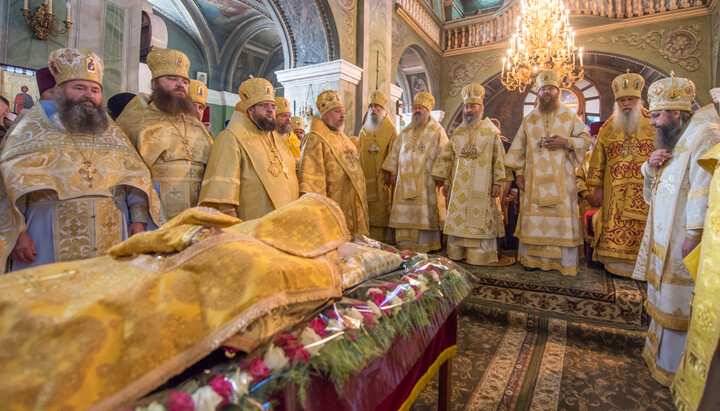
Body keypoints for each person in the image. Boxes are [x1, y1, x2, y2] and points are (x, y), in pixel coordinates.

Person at [0, 48, 163, 274]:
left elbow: (136, 177)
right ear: (59, 91)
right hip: (47, 233)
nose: (89, 95)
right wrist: (17, 233)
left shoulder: (111, 131)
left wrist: (139, 219)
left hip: (112, 230)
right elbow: (6, 184)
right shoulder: (31, 127)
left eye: (95, 90)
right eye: (79, 88)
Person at [632, 75, 720, 387]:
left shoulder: (704, 136)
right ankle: (658, 356)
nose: (653, 123)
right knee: (663, 296)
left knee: (676, 300)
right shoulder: (678, 137)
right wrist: (649, 166)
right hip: (663, 237)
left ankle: (675, 367)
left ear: (676, 114)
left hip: (682, 238)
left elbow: (703, 187)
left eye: (656, 116)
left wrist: (693, 235)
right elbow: (662, 182)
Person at [505, 70, 592, 275]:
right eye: (543, 89)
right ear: (538, 92)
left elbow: (586, 139)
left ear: (558, 91)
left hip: (562, 181)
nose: (547, 92)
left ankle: (564, 263)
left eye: (551, 88)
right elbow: (518, 148)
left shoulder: (569, 116)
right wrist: (518, 174)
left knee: (560, 220)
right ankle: (533, 260)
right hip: (533, 181)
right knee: (535, 220)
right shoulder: (529, 119)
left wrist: (566, 142)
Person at [116, 48, 213, 220]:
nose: (180, 85)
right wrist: (138, 218)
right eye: (172, 79)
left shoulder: (196, 126)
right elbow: (127, 175)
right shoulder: (135, 121)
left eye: (184, 81)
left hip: (197, 216)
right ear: (154, 84)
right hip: (155, 214)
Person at [432, 84, 513, 265]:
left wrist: (497, 183)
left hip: (482, 185)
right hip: (459, 186)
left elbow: (498, 158)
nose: (469, 110)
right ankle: (458, 253)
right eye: (466, 107)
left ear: (481, 109)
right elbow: (448, 157)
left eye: (472, 106)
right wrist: (445, 180)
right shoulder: (458, 132)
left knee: (480, 221)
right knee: (460, 220)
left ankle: (480, 255)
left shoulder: (491, 131)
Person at [199, 78, 298, 220]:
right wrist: (230, 221)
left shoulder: (276, 139)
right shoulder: (231, 137)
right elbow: (223, 190)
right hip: (250, 222)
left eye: (272, 106)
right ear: (251, 110)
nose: (270, 110)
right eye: (264, 105)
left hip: (283, 221)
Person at [586, 72, 655, 276]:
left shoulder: (653, 122)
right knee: (615, 224)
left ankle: (643, 266)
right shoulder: (607, 127)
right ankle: (615, 266)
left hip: (646, 189)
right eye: (622, 99)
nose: (626, 103)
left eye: (631, 99)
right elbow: (597, 159)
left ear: (639, 100)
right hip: (614, 189)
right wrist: (596, 187)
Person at [382, 92, 448, 252]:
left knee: (423, 213)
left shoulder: (437, 131)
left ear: (428, 111)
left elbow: (445, 154)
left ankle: (426, 245)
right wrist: (392, 171)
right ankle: (405, 245)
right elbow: (395, 152)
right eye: (415, 108)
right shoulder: (405, 132)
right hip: (403, 183)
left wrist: (442, 175)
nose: (417, 111)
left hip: (426, 183)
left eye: (421, 108)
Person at [298, 90, 369, 236]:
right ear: (325, 115)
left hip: (354, 207)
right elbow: (311, 180)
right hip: (334, 205)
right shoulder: (315, 138)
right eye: (337, 112)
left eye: (343, 111)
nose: (342, 115)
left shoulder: (343, 138)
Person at [356, 90, 398, 243]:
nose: (373, 109)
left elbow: (395, 152)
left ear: (383, 110)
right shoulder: (364, 130)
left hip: (382, 178)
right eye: (371, 106)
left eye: (377, 107)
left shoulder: (391, 130)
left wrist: (391, 171)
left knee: (382, 209)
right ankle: (368, 240)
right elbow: (357, 151)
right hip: (366, 177)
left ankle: (384, 242)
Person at [576, 121, 602, 266]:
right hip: (588, 201)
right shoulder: (584, 158)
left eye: (600, 137)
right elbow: (578, 178)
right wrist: (586, 194)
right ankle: (589, 260)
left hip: (604, 203)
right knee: (588, 232)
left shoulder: (610, 159)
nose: (597, 140)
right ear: (591, 138)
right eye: (595, 137)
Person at [275, 96, 302, 162]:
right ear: (274, 118)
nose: (288, 119)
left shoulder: (293, 138)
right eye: (284, 116)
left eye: (289, 116)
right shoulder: (268, 136)